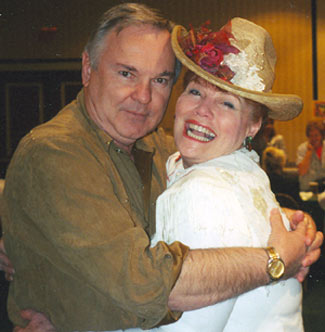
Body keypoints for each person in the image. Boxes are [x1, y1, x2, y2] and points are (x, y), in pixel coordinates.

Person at [0, 3, 322, 332]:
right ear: (87, 68)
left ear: (254, 125)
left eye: (161, 79)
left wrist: (287, 222)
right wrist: (274, 259)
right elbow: (146, 284)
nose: (142, 96)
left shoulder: (159, 146)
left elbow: (221, 189)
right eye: (127, 73)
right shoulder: (55, 153)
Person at [297, 120, 325, 191]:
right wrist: (309, 152)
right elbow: (302, 171)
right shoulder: (302, 148)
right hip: (307, 190)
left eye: (316, 135)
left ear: (321, 135)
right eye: (311, 136)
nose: (313, 139)